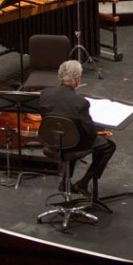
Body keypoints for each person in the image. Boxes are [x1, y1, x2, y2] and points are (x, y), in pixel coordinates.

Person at [38, 60, 116, 195]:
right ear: (77, 80)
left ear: (60, 77)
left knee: (70, 134)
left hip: (52, 141)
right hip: (73, 144)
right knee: (107, 146)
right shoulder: (80, 103)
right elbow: (90, 133)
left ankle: (65, 183)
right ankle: (83, 183)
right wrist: (99, 131)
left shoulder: (45, 94)